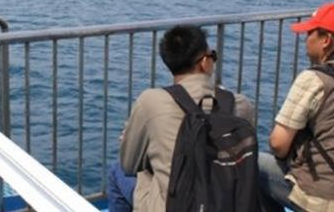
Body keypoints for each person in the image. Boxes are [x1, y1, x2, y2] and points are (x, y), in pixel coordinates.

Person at [108, 25, 255, 212]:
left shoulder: (151, 101)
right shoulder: (241, 104)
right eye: (213, 57)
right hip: (227, 204)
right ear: (204, 62)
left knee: (117, 172)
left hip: (173, 207)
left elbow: (129, 165)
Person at [260, 1, 334, 211]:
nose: (306, 41)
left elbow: (278, 144)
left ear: (326, 40)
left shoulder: (314, 79)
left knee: (255, 165)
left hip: (325, 202)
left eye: (310, 34)